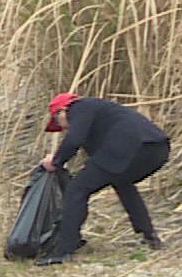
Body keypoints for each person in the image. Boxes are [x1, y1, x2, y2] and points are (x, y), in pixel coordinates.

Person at [36, 92, 170, 266]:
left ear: (61, 111)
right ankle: (149, 235)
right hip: (157, 149)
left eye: (58, 123)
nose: (63, 128)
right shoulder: (100, 113)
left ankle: (63, 250)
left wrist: (56, 161)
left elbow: (74, 140)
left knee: (77, 189)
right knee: (122, 182)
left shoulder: (79, 107)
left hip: (129, 148)